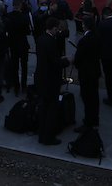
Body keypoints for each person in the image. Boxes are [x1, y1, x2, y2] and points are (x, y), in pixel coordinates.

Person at [35, 16, 70, 145]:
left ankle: (42, 132)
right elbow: (55, 62)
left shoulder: (41, 39)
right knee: (50, 109)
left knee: (43, 107)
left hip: (41, 77)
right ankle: (48, 136)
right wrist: (67, 60)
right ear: (54, 28)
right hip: (50, 80)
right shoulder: (50, 42)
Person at [74, 15, 102, 130]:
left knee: (87, 97)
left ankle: (88, 121)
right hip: (94, 70)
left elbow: (78, 58)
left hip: (86, 72)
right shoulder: (97, 37)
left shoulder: (84, 40)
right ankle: (94, 119)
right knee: (94, 97)